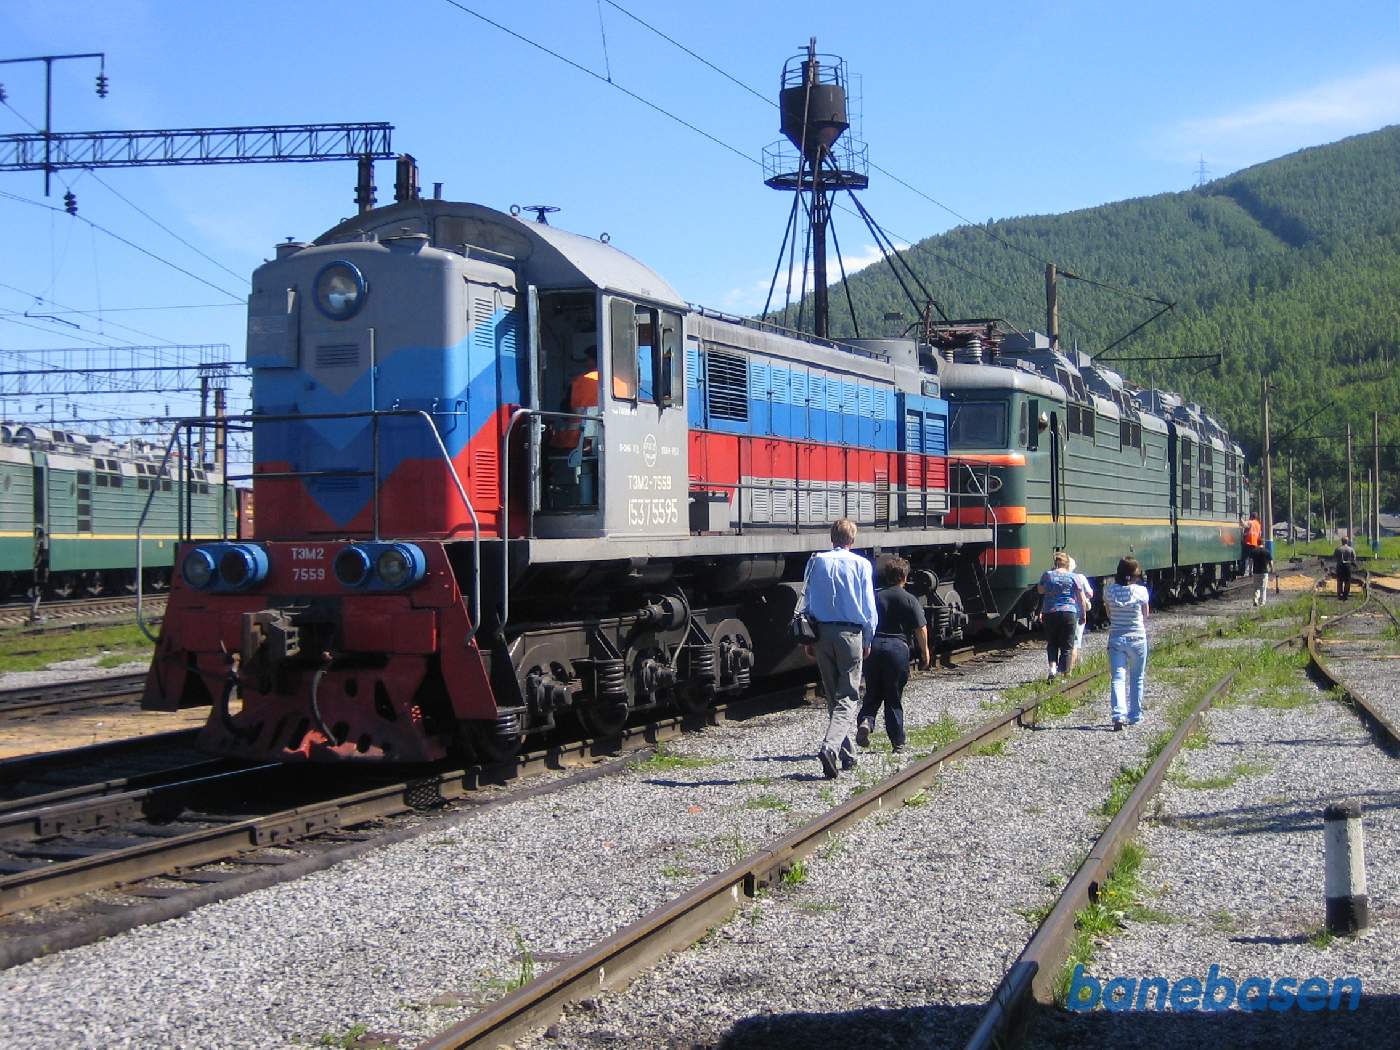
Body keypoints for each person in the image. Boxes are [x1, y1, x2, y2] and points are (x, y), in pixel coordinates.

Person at [797, 519, 877, 779]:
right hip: (850, 633)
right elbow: (868, 607)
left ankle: (847, 755)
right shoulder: (862, 564)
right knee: (849, 696)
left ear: (831, 537)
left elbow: (807, 600)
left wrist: (808, 640)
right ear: (852, 539)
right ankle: (830, 748)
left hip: (820, 633)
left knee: (834, 697)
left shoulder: (815, 561)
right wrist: (867, 639)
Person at [855, 556, 930, 755]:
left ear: (886, 576)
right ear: (905, 576)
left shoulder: (875, 596)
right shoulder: (909, 599)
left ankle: (865, 721)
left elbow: (863, 621)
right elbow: (920, 629)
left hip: (874, 648)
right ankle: (898, 741)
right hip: (897, 649)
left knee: (873, 691)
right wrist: (925, 652)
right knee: (893, 696)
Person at [1105, 557, 1151, 731]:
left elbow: (1109, 613)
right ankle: (1135, 715)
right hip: (1138, 638)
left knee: (1118, 677)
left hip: (1116, 638)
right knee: (1137, 677)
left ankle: (1118, 716)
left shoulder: (1109, 591)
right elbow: (1145, 614)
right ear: (1135, 574)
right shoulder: (1141, 591)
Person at [1038, 551, 1086, 681]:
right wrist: (1083, 615)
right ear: (1067, 564)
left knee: (1052, 643)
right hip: (1069, 612)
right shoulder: (1074, 577)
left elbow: (1040, 590)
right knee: (1067, 644)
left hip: (1050, 612)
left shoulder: (1047, 575)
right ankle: (1065, 674)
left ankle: (1052, 669)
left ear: (1055, 563)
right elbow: (1081, 598)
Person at [550, 347, 599, 451]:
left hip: (576, 441)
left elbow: (565, 410)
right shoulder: (621, 384)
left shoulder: (578, 382)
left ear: (591, 360)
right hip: (606, 440)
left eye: (587, 359)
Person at [1067, 556, 1094, 672]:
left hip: (1060, 612)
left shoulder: (1053, 577)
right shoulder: (1079, 577)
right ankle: (1069, 670)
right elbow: (1090, 594)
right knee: (1074, 642)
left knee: (1064, 642)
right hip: (1077, 612)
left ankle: (1063, 666)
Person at [1334, 535, 1357, 600]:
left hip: (1340, 566)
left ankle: (1339, 593)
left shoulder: (1338, 549)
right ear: (1347, 541)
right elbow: (1354, 558)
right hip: (1348, 566)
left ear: (1341, 541)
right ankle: (1345, 594)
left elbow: (1334, 557)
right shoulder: (1351, 549)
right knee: (1347, 581)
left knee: (1339, 580)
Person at [1250, 542, 1272, 606]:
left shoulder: (1253, 551)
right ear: (1263, 544)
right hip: (1264, 572)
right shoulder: (1267, 552)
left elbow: (1250, 561)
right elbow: (1271, 561)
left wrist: (1250, 571)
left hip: (1255, 572)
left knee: (1256, 587)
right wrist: (1271, 568)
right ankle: (1262, 603)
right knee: (1263, 588)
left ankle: (1255, 600)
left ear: (1257, 544)